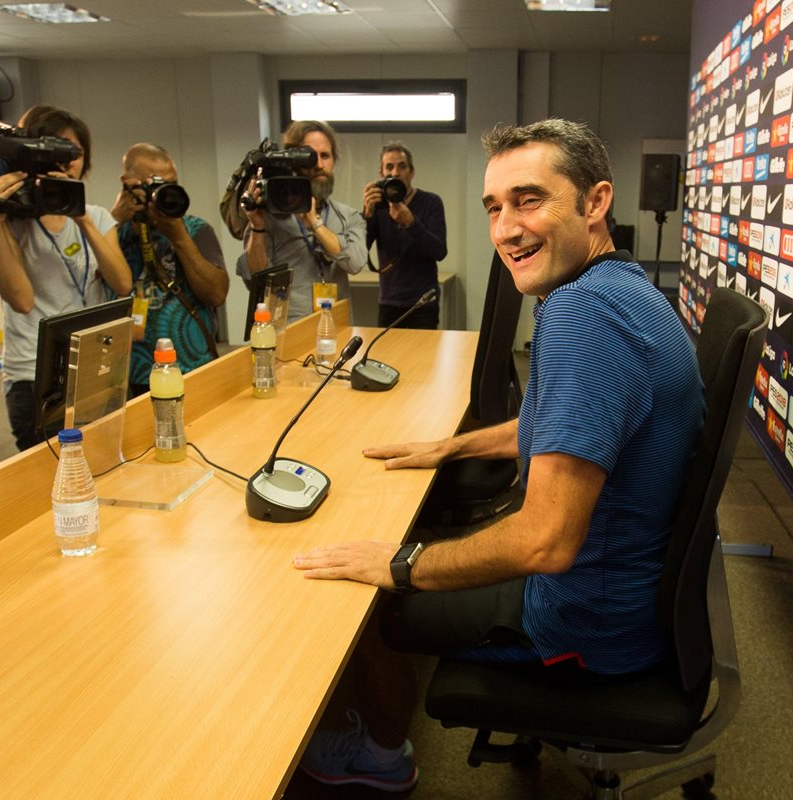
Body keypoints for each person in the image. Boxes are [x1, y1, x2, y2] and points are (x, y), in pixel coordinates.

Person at [290, 119, 706, 792]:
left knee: (359, 598)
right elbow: (558, 423)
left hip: (583, 623)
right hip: (627, 594)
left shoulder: (583, 316)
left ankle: (383, 757)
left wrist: (400, 565)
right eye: (494, 207)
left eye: (529, 199)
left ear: (595, 203)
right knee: (409, 548)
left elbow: (545, 542)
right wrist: (448, 446)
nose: (506, 229)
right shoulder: (620, 291)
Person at [0, 105, 132, 450]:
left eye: (74, 153)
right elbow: (20, 300)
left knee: (103, 460)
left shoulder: (95, 217)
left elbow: (122, 283)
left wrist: (81, 218)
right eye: (55, 152)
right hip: (34, 373)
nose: (66, 163)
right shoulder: (4, 220)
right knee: (47, 481)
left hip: (93, 365)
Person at [110, 143, 228, 395]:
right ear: (127, 183)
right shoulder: (110, 233)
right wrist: (113, 219)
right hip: (128, 375)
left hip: (191, 366)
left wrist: (179, 237)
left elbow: (217, 295)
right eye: (151, 184)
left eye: (169, 183)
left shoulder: (196, 229)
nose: (160, 192)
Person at [236, 120, 366, 322]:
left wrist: (314, 223)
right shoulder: (270, 215)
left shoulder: (348, 216)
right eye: (310, 157)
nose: (319, 165)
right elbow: (258, 278)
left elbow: (356, 263)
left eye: (325, 156)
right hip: (288, 331)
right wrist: (257, 226)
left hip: (336, 326)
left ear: (334, 161)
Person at [362, 142, 448, 330]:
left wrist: (411, 223)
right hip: (389, 302)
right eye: (389, 167)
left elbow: (440, 251)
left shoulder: (430, 202)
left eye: (402, 166)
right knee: (386, 356)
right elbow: (361, 251)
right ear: (381, 173)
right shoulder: (377, 206)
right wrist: (367, 215)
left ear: (412, 172)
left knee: (424, 357)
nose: (395, 172)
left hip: (424, 302)